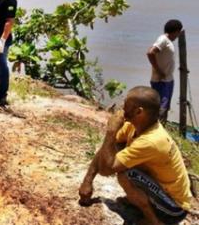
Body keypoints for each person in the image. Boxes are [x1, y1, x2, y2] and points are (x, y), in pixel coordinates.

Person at [79, 86, 191, 225]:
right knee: (114, 148)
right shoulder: (134, 125)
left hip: (174, 208)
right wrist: (87, 181)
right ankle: (141, 201)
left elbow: (106, 170)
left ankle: (153, 221)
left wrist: (110, 131)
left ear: (138, 112)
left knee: (126, 174)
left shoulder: (152, 140)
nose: (122, 106)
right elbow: (107, 148)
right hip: (162, 191)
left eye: (126, 103)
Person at [146, 19, 183, 122]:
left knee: (165, 107)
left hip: (167, 79)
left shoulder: (167, 41)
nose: (178, 35)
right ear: (176, 31)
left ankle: (162, 127)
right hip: (161, 80)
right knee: (161, 107)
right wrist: (158, 71)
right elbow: (150, 53)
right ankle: (158, 128)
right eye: (179, 32)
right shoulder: (163, 39)